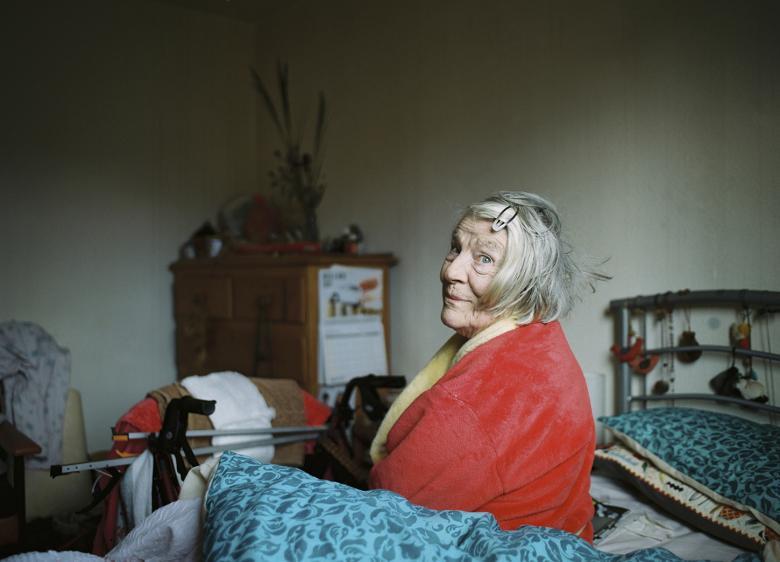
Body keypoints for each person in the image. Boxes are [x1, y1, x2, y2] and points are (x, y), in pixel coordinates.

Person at [368, 191, 607, 542]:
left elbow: (389, 505)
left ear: (526, 284)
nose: (451, 270)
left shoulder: (484, 394)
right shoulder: (540, 334)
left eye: (484, 258)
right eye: (456, 247)